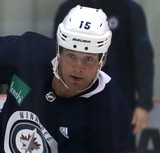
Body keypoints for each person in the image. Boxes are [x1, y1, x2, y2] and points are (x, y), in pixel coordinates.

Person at [0, 5, 136, 153]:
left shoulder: (110, 112)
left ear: (103, 59)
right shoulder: (31, 54)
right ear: (59, 50)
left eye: (89, 59)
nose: (78, 68)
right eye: (71, 56)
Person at [53, 0, 154, 138]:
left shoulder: (129, 10)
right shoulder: (68, 9)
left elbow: (143, 60)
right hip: (73, 104)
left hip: (117, 104)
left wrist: (143, 104)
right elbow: (56, 57)